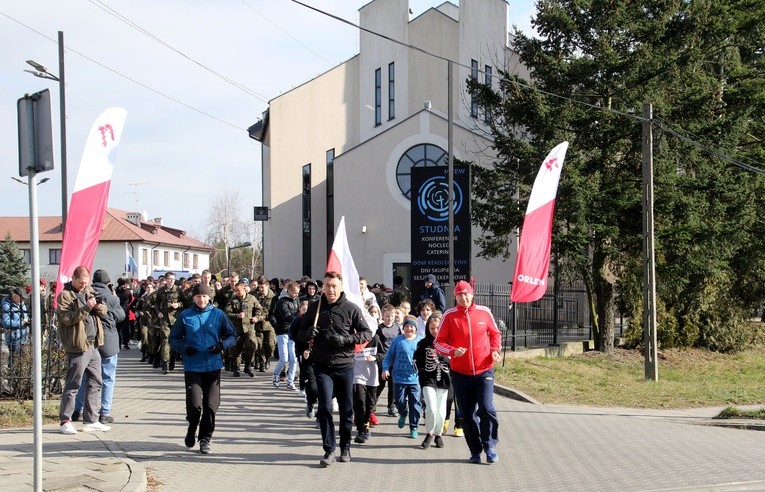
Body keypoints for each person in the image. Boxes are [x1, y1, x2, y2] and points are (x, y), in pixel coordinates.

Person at [298, 271, 373, 467]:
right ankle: (329, 450)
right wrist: (308, 333)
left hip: (345, 367)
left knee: (347, 410)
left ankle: (345, 446)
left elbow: (367, 333)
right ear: (323, 286)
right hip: (322, 367)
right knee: (325, 409)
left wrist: (346, 339)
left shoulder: (351, 308)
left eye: (334, 286)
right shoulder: (315, 308)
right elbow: (299, 333)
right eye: (327, 286)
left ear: (340, 287)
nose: (330, 290)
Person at [434, 280, 502, 464]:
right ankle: (475, 450)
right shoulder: (449, 316)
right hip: (460, 373)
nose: (463, 298)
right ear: (455, 296)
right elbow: (438, 342)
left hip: (484, 370)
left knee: (487, 409)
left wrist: (495, 350)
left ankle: (489, 445)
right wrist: (452, 351)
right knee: (467, 414)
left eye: (466, 294)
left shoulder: (484, 312)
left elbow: (495, 334)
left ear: (472, 294)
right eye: (459, 295)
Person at [169, 283, 236, 455]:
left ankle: (205, 439)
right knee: (195, 405)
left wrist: (221, 346)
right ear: (193, 298)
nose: (201, 299)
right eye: (198, 296)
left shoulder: (218, 314)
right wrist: (184, 348)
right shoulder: (185, 316)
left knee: (211, 405)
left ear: (209, 297)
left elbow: (232, 335)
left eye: (204, 296)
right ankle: (192, 426)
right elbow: (173, 338)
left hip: (213, 366)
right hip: (193, 366)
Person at [57, 266, 111, 435]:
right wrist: (86, 307)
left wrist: (98, 305)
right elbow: (67, 319)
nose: (83, 286)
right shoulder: (65, 296)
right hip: (78, 346)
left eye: (86, 283)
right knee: (74, 383)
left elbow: (103, 312)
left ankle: (91, 420)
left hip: (93, 344)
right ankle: (65, 420)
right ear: (73, 278)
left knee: (96, 382)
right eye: (81, 283)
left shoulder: (89, 291)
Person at [73, 269, 125, 425]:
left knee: (84, 377)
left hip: (89, 341)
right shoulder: (112, 298)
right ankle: (105, 412)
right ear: (108, 282)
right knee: (108, 378)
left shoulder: (86, 294)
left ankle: (78, 410)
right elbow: (121, 316)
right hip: (108, 343)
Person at [381, 315, 422, 439]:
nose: (409, 329)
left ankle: (413, 427)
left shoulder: (420, 341)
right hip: (399, 378)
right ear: (403, 328)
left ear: (415, 328)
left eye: (412, 326)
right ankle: (403, 413)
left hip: (415, 379)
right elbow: (389, 356)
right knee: (399, 402)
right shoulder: (398, 340)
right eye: (407, 326)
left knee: (415, 404)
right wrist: (385, 368)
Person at [414, 311, 449, 449]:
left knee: (441, 411)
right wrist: (421, 372)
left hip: (444, 380)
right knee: (431, 408)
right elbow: (416, 359)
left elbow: (454, 359)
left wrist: (445, 360)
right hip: (428, 380)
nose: (435, 331)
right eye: (432, 328)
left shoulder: (447, 342)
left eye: (437, 328)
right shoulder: (423, 343)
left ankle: (438, 434)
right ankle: (429, 432)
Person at [224, 281, 262, 377]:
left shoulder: (252, 299)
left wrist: (256, 318)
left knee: (252, 344)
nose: (237, 292)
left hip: (249, 327)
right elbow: (227, 313)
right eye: (235, 290)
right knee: (236, 347)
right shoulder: (233, 300)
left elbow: (259, 310)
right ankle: (236, 368)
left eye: (238, 290)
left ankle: (248, 366)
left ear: (244, 289)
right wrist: (237, 315)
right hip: (237, 328)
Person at [352, 332, 382, 444]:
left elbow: (383, 353)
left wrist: (374, 357)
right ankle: (360, 430)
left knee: (370, 405)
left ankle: (366, 424)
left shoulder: (375, 337)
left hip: (371, 376)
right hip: (357, 374)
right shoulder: (354, 336)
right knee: (359, 401)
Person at [155, 272, 184, 374]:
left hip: (176, 319)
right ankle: (165, 363)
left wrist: (178, 304)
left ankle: (172, 360)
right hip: (165, 319)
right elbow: (156, 303)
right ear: (166, 280)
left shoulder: (179, 290)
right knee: (166, 340)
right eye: (169, 279)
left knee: (174, 340)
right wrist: (158, 312)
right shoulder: (161, 291)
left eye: (173, 279)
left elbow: (184, 302)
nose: (171, 280)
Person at [374, 303, 400, 418]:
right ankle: (373, 402)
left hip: (395, 359)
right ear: (383, 317)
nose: (390, 318)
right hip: (383, 359)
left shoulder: (397, 328)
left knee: (393, 384)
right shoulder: (380, 329)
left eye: (392, 316)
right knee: (381, 383)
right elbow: (377, 344)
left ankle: (391, 406)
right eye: (387, 316)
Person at [272, 281, 300, 389]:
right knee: (284, 358)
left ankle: (290, 381)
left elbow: (298, 311)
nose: (296, 295)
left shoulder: (296, 300)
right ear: (289, 291)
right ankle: (276, 374)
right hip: (283, 331)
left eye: (297, 292)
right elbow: (286, 315)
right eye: (294, 292)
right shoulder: (282, 301)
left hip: (292, 332)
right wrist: (298, 320)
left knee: (293, 358)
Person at [252, 276, 277, 372]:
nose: (260, 289)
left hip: (269, 325)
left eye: (262, 287)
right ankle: (262, 362)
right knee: (259, 344)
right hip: (258, 325)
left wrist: (264, 317)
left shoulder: (273, 297)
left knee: (271, 345)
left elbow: (274, 311)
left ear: (267, 286)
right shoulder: (255, 296)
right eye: (259, 287)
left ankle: (267, 358)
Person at [2, 287, 30, 365]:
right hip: (13, 338)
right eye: (22, 298)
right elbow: (6, 322)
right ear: (14, 296)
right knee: (14, 361)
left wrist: (27, 320)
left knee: (21, 360)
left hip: (23, 336)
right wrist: (22, 322)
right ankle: (13, 376)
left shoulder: (21, 304)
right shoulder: (6, 306)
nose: (23, 300)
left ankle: (18, 375)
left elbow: (25, 316)